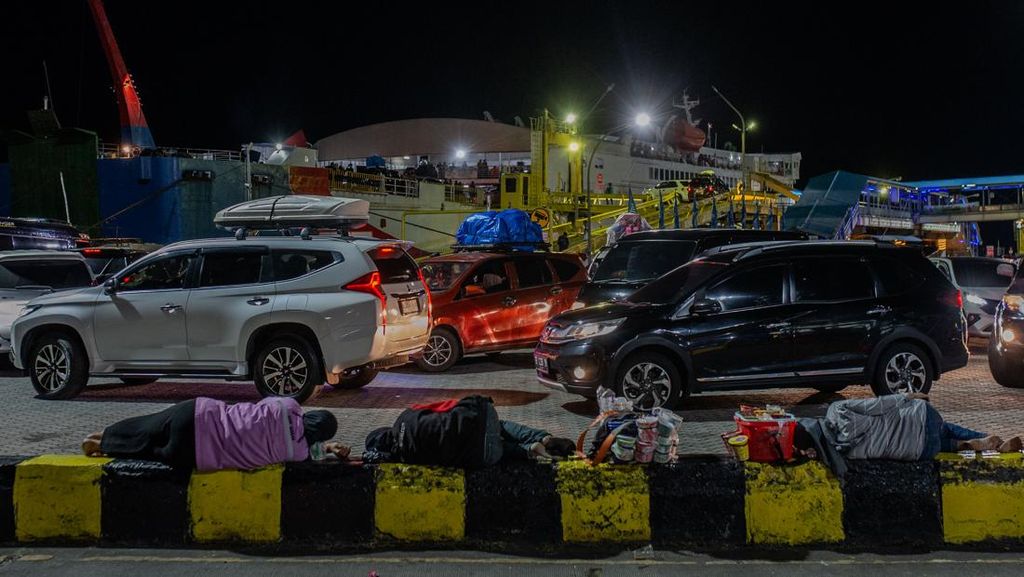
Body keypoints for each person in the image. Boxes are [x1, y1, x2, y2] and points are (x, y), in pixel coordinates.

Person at [81, 397, 350, 471]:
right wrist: (329, 449)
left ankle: (102, 437)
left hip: (199, 415)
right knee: (146, 450)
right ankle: (103, 447)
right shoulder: (298, 452)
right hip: (196, 455)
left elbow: (262, 405)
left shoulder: (288, 407)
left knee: (143, 428)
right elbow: (309, 454)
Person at [795, 393, 1021, 477]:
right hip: (921, 419)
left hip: (918, 451)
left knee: (939, 442)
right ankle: (987, 441)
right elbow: (879, 404)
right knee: (943, 425)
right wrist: (909, 396)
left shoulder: (842, 454)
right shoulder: (837, 410)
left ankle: (960, 445)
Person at [363, 395, 574, 467]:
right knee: (497, 426)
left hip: (485, 453)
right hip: (480, 418)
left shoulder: (406, 457)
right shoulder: (405, 416)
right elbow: (446, 405)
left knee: (482, 447)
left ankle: (529, 450)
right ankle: (543, 438)